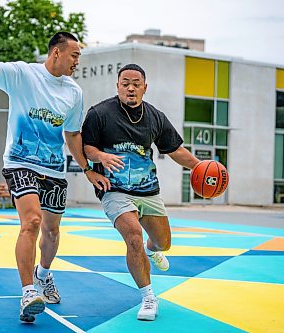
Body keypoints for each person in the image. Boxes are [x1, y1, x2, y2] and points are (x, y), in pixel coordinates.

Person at [0, 28, 110, 323]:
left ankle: (43, 274)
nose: (77, 62)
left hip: (53, 168)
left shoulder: (74, 92)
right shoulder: (24, 74)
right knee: (32, 221)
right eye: (74, 55)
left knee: (51, 231)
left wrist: (87, 169)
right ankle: (27, 292)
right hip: (20, 162)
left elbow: (72, 134)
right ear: (56, 52)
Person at [81, 64, 200, 321]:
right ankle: (148, 297)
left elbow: (174, 149)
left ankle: (152, 248)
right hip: (114, 189)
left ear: (145, 87)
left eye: (136, 83)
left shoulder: (155, 117)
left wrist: (200, 167)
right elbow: (86, 146)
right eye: (125, 83)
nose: (130, 88)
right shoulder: (99, 113)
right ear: (117, 86)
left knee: (163, 243)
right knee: (133, 236)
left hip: (148, 190)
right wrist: (99, 157)